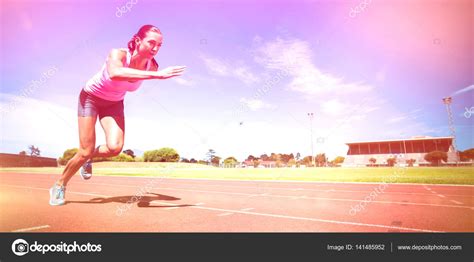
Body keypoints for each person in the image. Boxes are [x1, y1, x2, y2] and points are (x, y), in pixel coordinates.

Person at [49, 25, 185, 206]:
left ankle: (88, 158)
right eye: (151, 43)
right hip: (90, 98)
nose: (155, 48)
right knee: (85, 150)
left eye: (159, 45)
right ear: (138, 40)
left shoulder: (151, 65)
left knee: (115, 148)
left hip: (114, 103)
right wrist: (157, 76)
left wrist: (154, 73)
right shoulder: (118, 54)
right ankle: (60, 184)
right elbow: (115, 73)